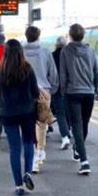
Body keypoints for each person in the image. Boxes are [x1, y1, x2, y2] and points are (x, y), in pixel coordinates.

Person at [0, 39, 39, 196]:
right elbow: (35, 93)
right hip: (27, 113)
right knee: (28, 143)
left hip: (8, 114)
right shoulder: (28, 69)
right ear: (20, 52)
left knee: (14, 147)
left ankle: (19, 185)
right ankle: (28, 173)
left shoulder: (0, 70)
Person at [59, 24, 98, 175]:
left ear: (70, 35)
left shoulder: (65, 51)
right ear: (83, 35)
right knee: (85, 123)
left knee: (76, 125)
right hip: (88, 93)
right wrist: (95, 89)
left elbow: (63, 75)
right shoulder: (91, 51)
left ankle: (84, 161)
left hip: (72, 93)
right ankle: (78, 149)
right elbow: (97, 73)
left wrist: (63, 91)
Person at [22, 26, 59, 174]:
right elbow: (53, 74)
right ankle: (39, 153)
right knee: (41, 125)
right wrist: (52, 90)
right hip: (44, 91)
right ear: (38, 36)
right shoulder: (45, 51)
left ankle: (31, 157)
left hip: (24, 91)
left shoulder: (20, 52)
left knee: (26, 124)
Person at [51, 36, 72, 150]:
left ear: (56, 45)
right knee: (68, 111)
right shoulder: (70, 56)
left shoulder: (52, 55)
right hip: (70, 88)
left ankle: (65, 134)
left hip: (57, 88)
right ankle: (68, 130)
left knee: (60, 113)